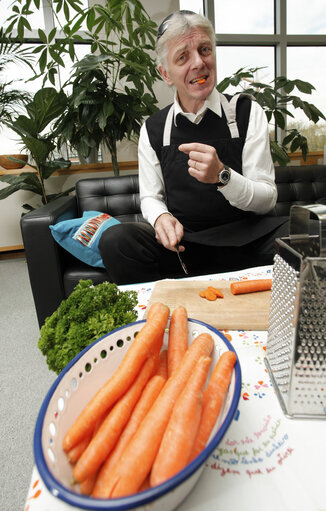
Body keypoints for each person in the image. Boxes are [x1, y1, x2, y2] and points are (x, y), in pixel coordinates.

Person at [99, 10, 289, 285]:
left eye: (204, 50)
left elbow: (267, 198)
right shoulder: (154, 128)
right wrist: (161, 218)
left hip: (249, 240)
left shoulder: (246, 112)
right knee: (117, 240)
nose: (199, 63)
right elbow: (151, 197)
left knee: (306, 233)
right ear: (166, 73)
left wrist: (223, 176)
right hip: (186, 246)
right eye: (183, 57)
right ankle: (159, 313)